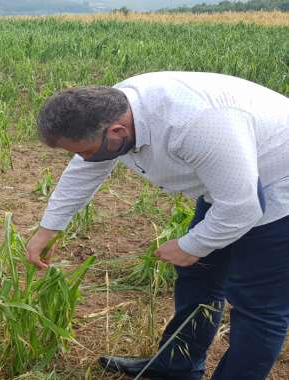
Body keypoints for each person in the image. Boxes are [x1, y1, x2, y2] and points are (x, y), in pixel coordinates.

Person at [26, 72, 289, 380]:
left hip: (279, 182)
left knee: (258, 303)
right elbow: (85, 169)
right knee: (199, 277)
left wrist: (191, 245)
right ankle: (177, 367)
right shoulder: (111, 110)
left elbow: (242, 206)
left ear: (118, 130)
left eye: (85, 150)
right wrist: (49, 228)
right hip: (230, 180)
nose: (83, 158)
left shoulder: (195, 124)